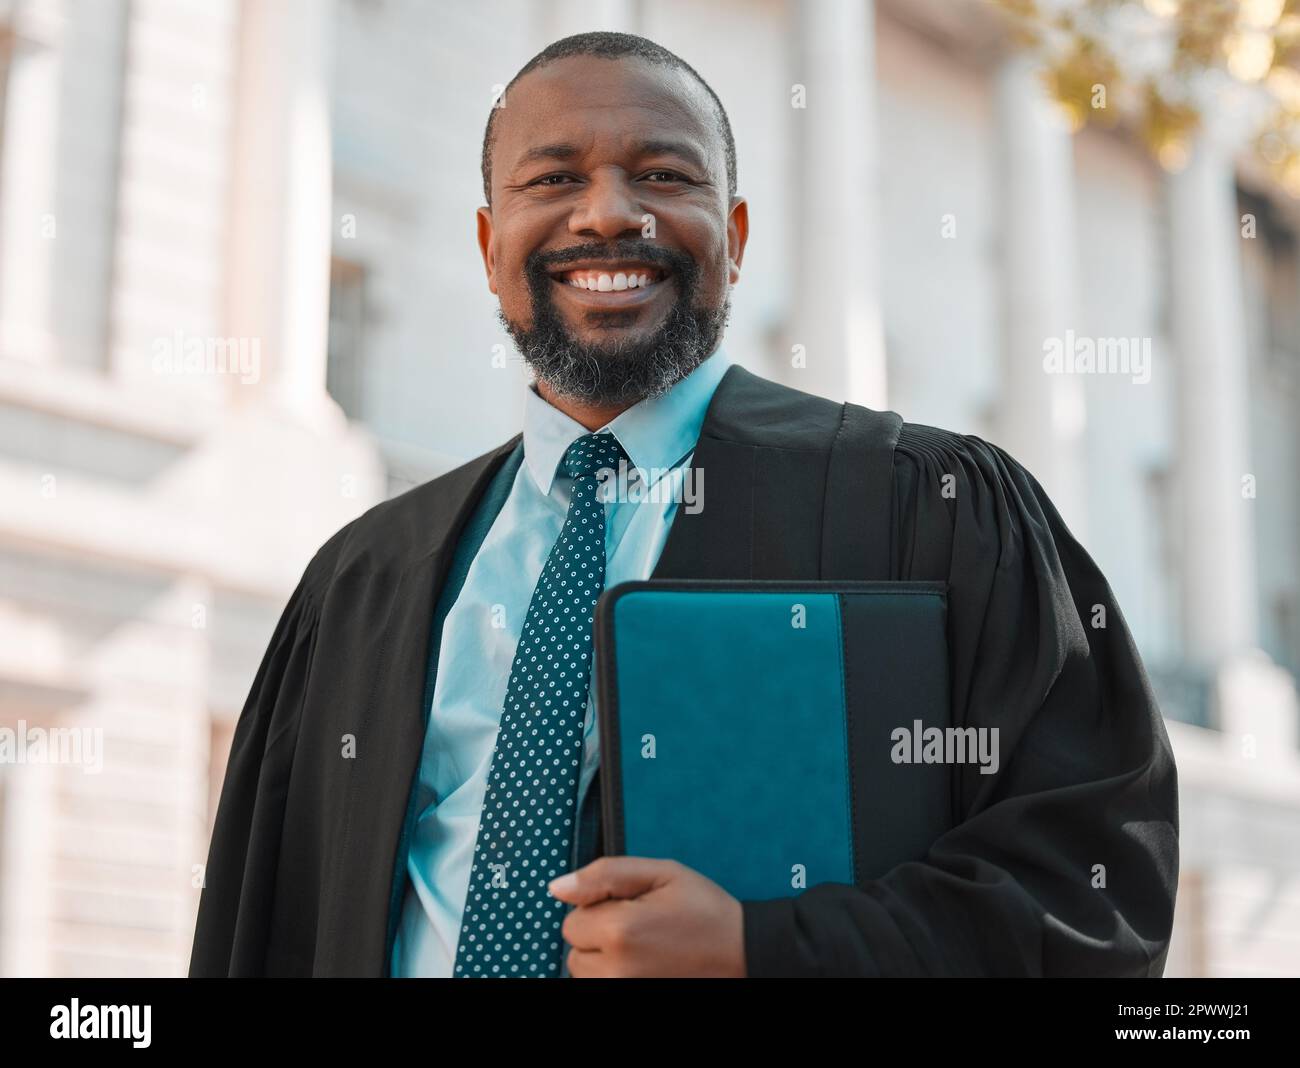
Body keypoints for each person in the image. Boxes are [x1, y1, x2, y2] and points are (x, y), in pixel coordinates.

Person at [189, 31, 1178, 979]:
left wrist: (769, 950)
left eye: (664, 175)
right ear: (491, 246)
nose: (607, 214)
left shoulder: (930, 509)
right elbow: (265, 929)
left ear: (734, 238)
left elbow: (1095, 900)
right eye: (553, 179)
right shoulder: (366, 584)